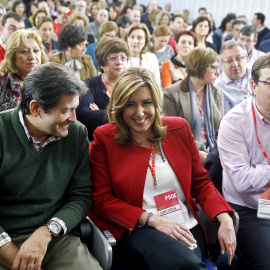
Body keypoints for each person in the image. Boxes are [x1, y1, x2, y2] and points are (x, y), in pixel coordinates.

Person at [89, 66, 236, 270]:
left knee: (190, 263)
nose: (140, 113)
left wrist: (224, 216)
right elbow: (102, 201)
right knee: (187, 265)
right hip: (138, 227)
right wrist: (152, 219)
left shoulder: (178, 128)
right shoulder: (105, 138)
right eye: (131, 104)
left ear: (156, 103)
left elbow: (200, 183)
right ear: (119, 106)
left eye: (146, 103)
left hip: (185, 224)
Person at [0, 62, 101, 270]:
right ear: (35, 108)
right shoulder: (3, 132)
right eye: (67, 110)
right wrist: (14, 258)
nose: (74, 119)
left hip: (55, 237)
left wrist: (47, 231)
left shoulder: (77, 133)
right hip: (4, 239)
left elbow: (81, 196)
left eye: (75, 108)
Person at [218, 53, 270, 270]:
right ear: (253, 85)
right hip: (249, 207)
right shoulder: (234, 123)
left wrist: (260, 171)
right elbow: (241, 180)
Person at [163, 47, 223, 163]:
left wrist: (215, 152)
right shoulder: (172, 93)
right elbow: (171, 133)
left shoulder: (217, 91)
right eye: (213, 67)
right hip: (183, 153)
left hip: (214, 153)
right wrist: (195, 151)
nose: (218, 72)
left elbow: (221, 127)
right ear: (198, 68)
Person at [76, 36, 128, 141]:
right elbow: (85, 116)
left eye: (123, 57)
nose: (119, 62)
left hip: (128, 140)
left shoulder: (132, 85)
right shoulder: (89, 84)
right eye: (114, 58)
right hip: (98, 142)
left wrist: (102, 113)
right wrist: (125, 117)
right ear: (102, 61)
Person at [0, 29, 47, 112]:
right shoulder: (2, 81)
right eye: (25, 51)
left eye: (36, 50)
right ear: (12, 56)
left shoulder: (50, 80)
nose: (32, 57)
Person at [215, 41, 253, 114]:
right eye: (229, 60)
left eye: (238, 58)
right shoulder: (218, 87)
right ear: (222, 63)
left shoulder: (257, 72)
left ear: (246, 58)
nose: (235, 64)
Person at [125, 23, 162, 91]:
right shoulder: (121, 59)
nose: (135, 41)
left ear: (145, 41)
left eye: (139, 38)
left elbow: (157, 86)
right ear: (127, 39)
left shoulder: (152, 58)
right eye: (132, 37)